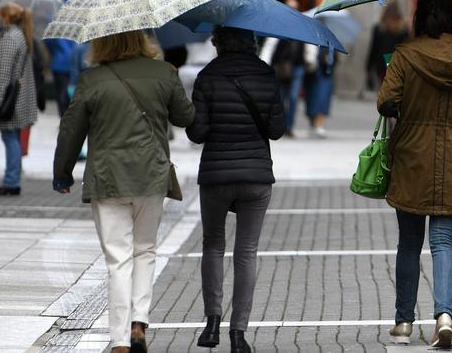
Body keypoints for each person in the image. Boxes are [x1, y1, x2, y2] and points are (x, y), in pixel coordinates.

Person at [53, 30, 195, 353]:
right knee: (145, 251)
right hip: (151, 177)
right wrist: (170, 81)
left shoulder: (91, 80)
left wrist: (62, 174)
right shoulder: (163, 72)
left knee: (118, 260)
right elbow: (186, 117)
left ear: (102, 42)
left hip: (109, 179)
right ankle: (139, 325)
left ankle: (118, 340)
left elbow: (70, 129)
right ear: (143, 39)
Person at [379, 0, 452, 349]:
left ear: (418, 14)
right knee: (444, 242)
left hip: (412, 154)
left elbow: (386, 102)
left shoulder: (406, 55)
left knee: (409, 243)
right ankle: (444, 315)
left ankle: (403, 324)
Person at [185, 27, 285, 352]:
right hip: (256, 176)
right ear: (252, 43)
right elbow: (277, 129)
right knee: (247, 252)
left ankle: (211, 323)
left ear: (218, 43)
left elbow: (197, 133)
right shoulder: (266, 75)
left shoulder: (207, 76)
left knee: (213, 244)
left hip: (215, 175)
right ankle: (238, 334)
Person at [0, 3, 39, 196]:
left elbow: (4, 74)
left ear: (5, 18)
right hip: (18, 98)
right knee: (12, 136)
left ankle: (11, 181)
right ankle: (12, 179)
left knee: (10, 136)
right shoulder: (20, 36)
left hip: (10, 100)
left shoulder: (9, 39)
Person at [260, 0, 312, 138]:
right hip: (281, 67)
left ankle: (289, 127)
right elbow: (270, 45)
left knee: (294, 98)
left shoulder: (303, 24)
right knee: (281, 98)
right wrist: (264, 64)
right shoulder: (278, 24)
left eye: (294, 7)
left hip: (297, 67)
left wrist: (310, 60)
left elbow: (309, 43)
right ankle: (280, 126)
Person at [366, 3, 410, 91]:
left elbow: (373, 49)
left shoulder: (379, 29)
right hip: (397, 65)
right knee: (395, 89)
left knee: (384, 88)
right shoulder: (403, 30)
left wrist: (368, 67)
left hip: (382, 65)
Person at [304, 44, 335, 138]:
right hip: (311, 74)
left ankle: (319, 125)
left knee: (322, 99)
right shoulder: (309, 41)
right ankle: (312, 124)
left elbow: (335, 60)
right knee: (311, 100)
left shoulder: (329, 43)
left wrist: (328, 59)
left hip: (324, 74)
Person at [45, 37, 77, 116]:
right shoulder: (74, 29)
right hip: (71, 63)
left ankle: (63, 115)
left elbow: (48, 43)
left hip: (58, 64)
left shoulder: (56, 31)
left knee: (60, 92)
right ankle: (69, 114)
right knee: (71, 90)